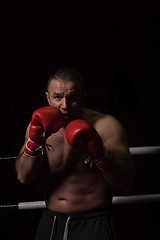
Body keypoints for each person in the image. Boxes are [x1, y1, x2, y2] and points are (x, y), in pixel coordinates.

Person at [15, 68, 136, 240]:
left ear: (83, 98)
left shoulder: (106, 126)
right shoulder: (37, 127)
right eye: (57, 97)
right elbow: (23, 176)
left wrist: (101, 155)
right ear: (48, 98)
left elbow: (127, 183)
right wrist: (33, 143)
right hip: (52, 221)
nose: (64, 106)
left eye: (72, 98)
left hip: (94, 221)